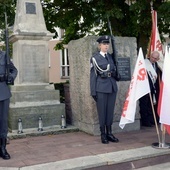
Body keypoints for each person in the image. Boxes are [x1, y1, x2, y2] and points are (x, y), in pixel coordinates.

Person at [90, 35, 119, 144]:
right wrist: (93, 91)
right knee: (102, 112)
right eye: (104, 44)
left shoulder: (111, 57)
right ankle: (103, 134)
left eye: (107, 44)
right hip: (101, 88)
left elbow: (114, 70)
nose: (106, 46)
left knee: (110, 112)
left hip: (112, 87)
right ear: (99, 45)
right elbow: (93, 75)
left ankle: (109, 133)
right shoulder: (95, 58)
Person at [0, 50, 18, 159]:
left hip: (2, 91)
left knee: (3, 121)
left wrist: (10, 77)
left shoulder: (3, 55)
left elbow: (14, 70)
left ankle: (2, 148)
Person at [139, 51, 162, 127]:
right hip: (144, 87)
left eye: (155, 58)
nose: (153, 59)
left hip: (153, 88)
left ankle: (151, 120)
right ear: (150, 56)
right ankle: (145, 121)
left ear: (158, 59)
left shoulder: (157, 65)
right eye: (152, 57)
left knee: (151, 104)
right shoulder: (145, 63)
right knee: (144, 105)